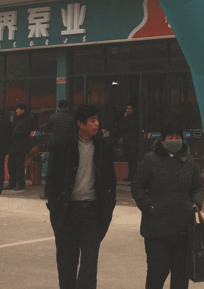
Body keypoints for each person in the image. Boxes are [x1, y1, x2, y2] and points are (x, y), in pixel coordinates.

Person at [45, 103, 117, 289]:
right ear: (80, 123)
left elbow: (110, 181)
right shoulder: (62, 146)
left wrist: (108, 206)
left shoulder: (104, 147)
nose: (96, 123)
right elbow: (51, 180)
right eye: (92, 120)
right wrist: (55, 206)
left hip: (93, 214)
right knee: (67, 265)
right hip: (67, 214)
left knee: (89, 267)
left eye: (97, 119)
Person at [131, 121, 204, 289]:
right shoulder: (150, 159)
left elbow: (197, 187)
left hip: (184, 229)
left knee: (181, 276)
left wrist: (195, 204)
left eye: (177, 137)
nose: (174, 141)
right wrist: (149, 206)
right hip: (156, 230)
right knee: (157, 273)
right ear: (163, 140)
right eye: (170, 137)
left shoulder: (189, 160)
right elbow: (137, 186)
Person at [8, 102, 34, 190]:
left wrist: (15, 134)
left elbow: (25, 132)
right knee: (11, 164)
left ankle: (20, 183)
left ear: (23, 110)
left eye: (18, 109)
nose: (16, 111)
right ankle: (12, 183)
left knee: (19, 165)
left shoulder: (27, 120)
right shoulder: (15, 119)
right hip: (13, 145)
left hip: (21, 145)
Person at [118, 103, 141, 182]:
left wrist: (125, 118)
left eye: (129, 109)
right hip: (127, 142)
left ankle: (134, 176)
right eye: (127, 109)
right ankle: (130, 175)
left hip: (133, 142)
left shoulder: (135, 117)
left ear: (133, 109)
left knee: (133, 160)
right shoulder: (126, 118)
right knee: (129, 160)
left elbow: (129, 126)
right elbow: (121, 127)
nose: (128, 110)